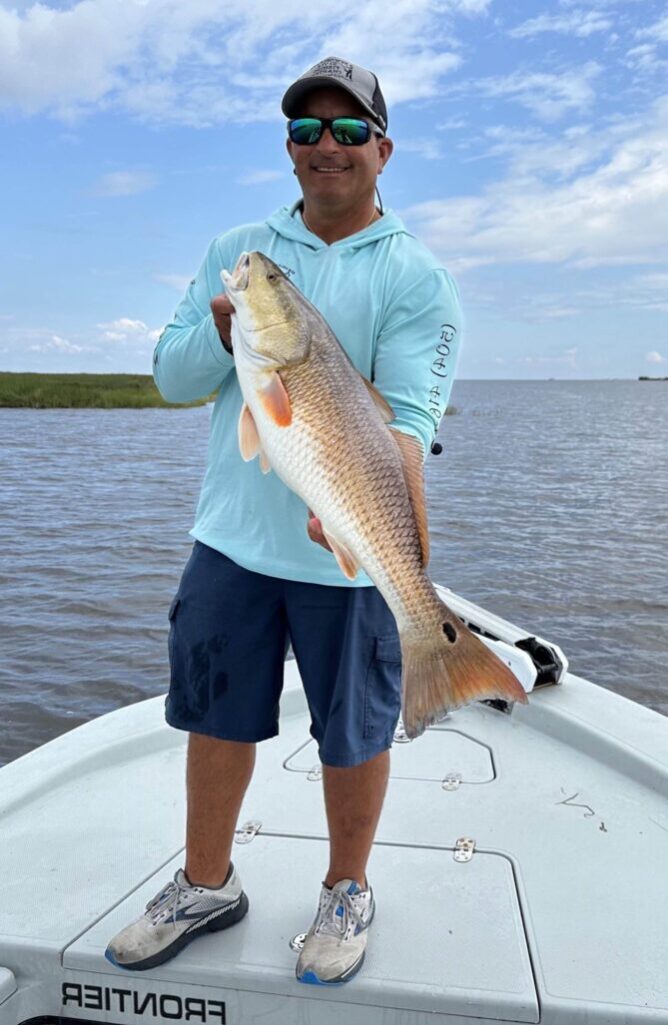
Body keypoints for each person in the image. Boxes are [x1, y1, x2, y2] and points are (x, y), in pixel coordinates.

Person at [105, 56, 462, 985]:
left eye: (349, 132)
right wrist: (227, 324)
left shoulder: (416, 275)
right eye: (307, 132)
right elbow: (174, 379)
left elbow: (409, 427)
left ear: (383, 149)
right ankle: (204, 883)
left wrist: (376, 532)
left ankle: (347, 888)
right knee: (215, 720)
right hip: (231, 541)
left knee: (356, 731)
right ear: (289, 148)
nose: (327, 149)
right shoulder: (241, 250)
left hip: (346, 556)